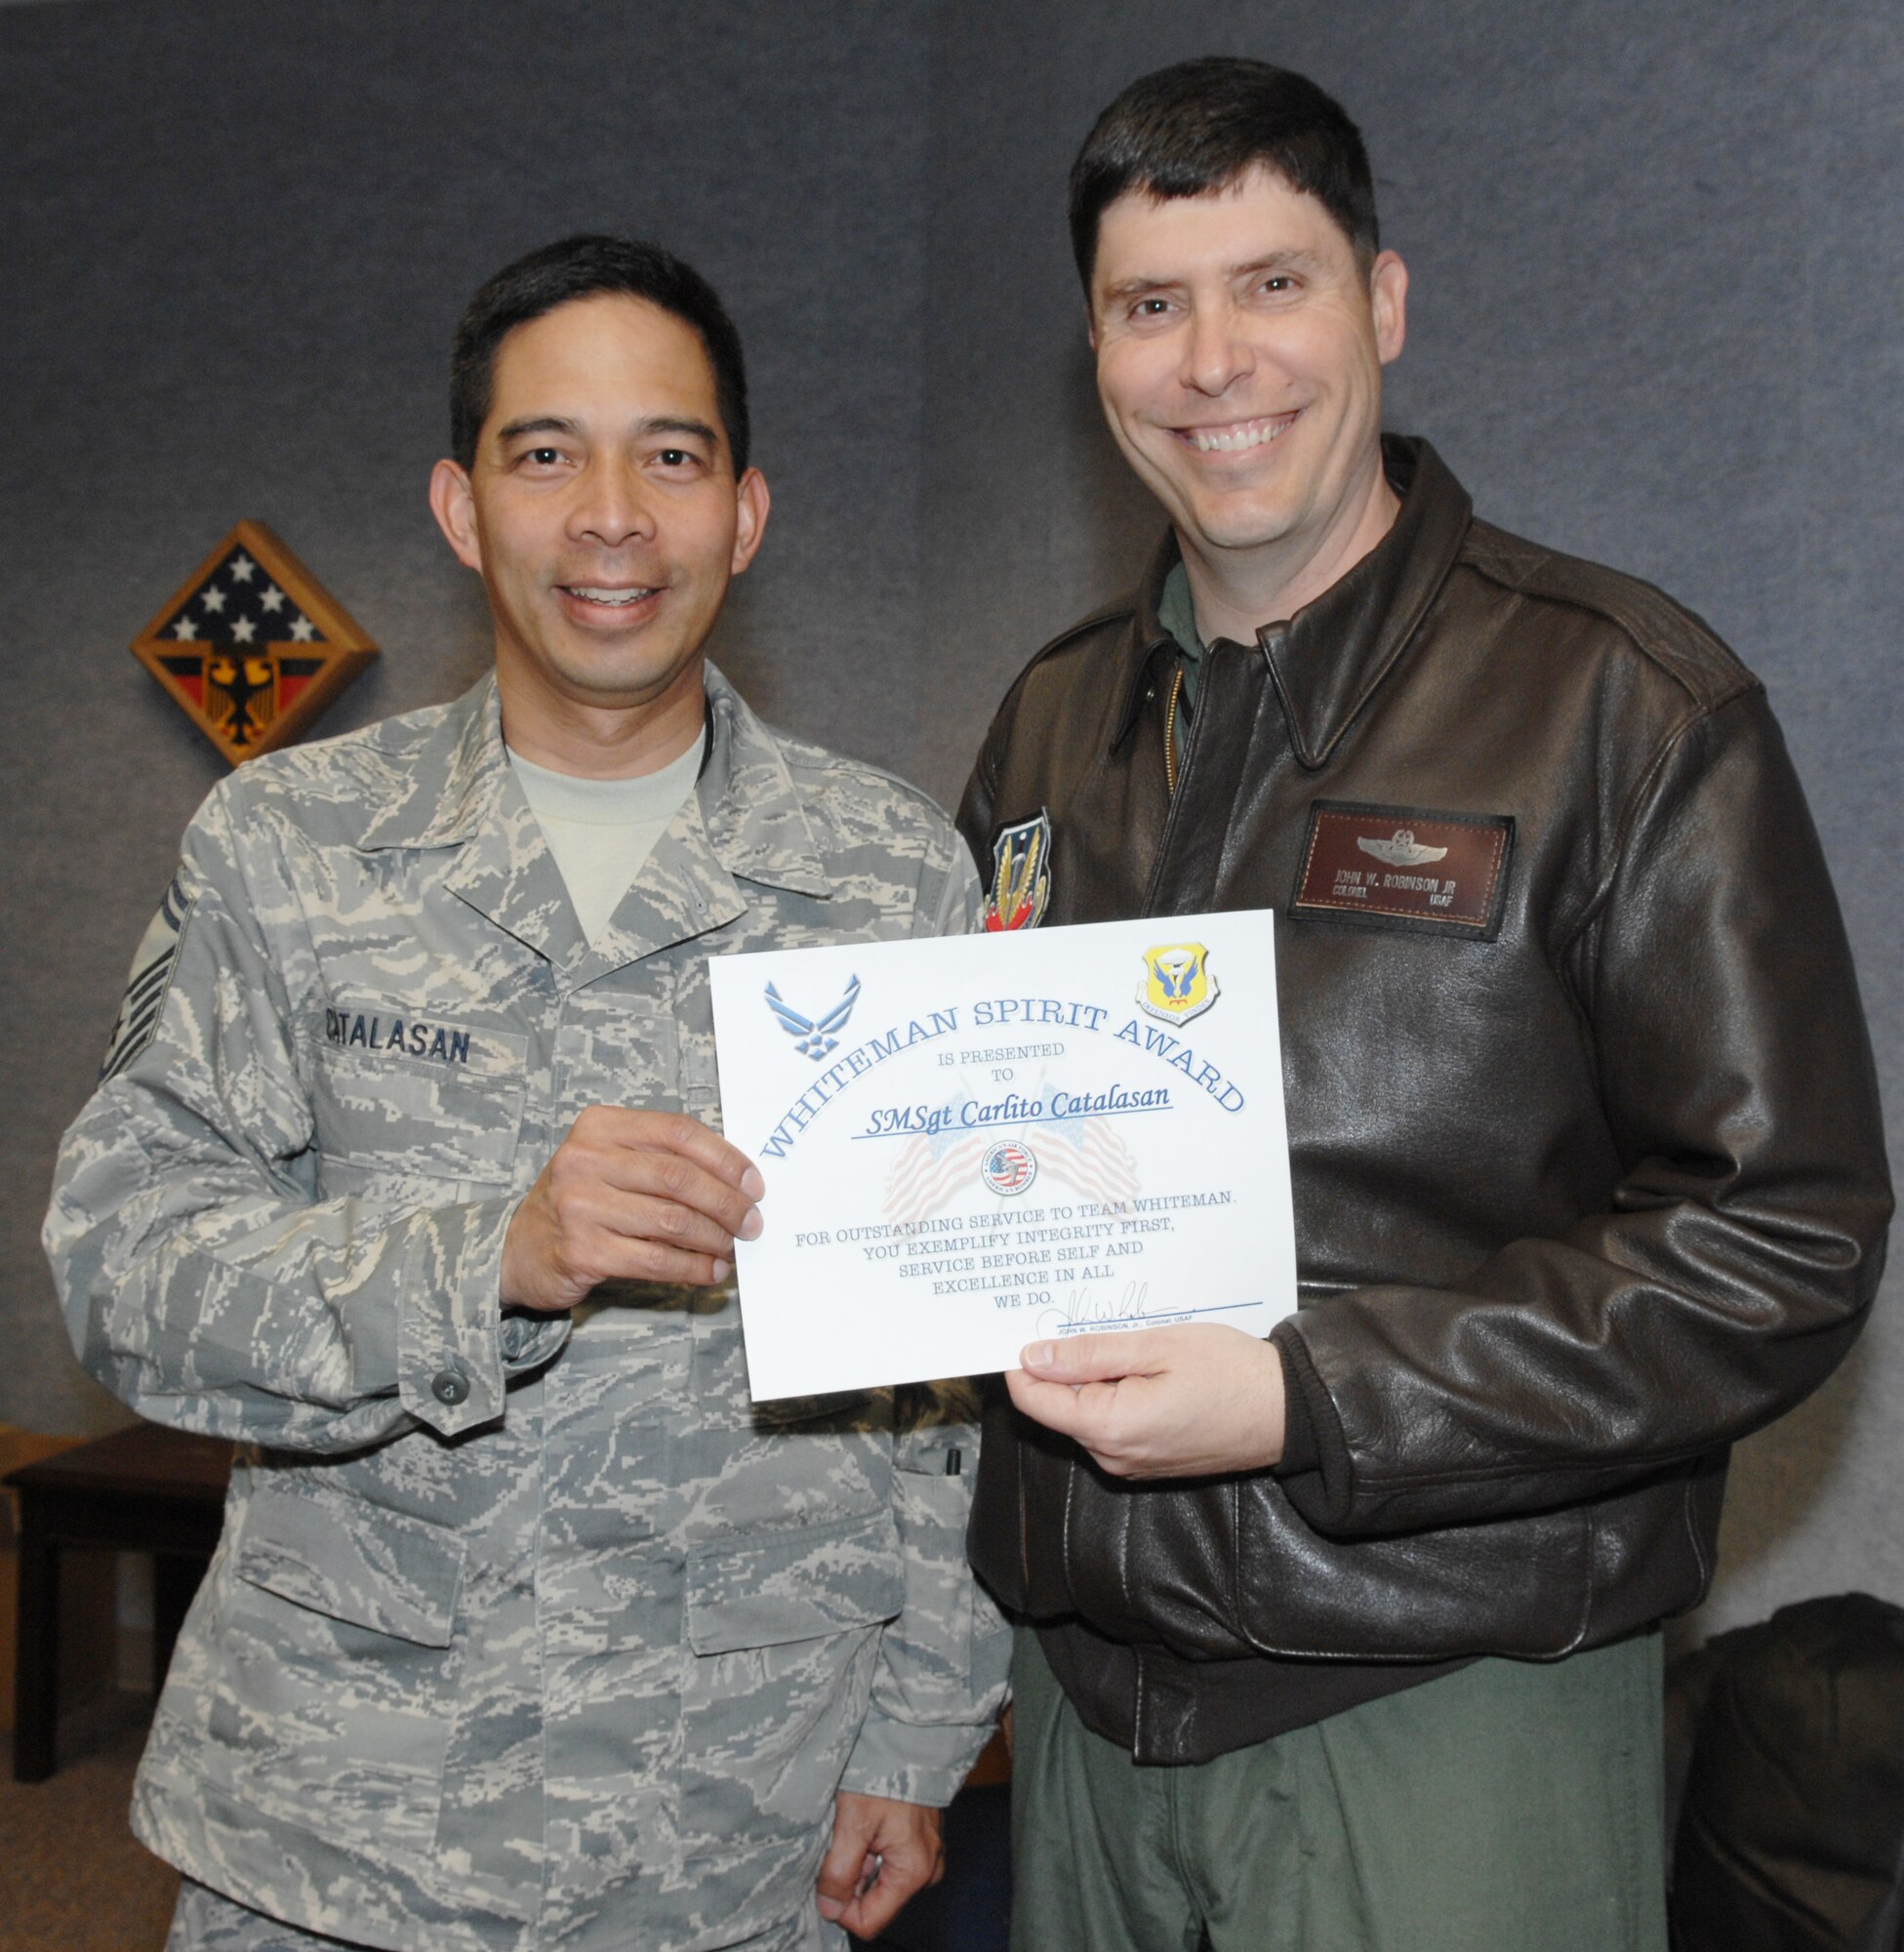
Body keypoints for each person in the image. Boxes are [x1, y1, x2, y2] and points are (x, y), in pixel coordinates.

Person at [956, 57, 1892, 1952]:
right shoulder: (1052, 718)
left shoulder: (1619, 703)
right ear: (1096, 351)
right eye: (1152, 305)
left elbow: (1778, 1238)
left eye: (1272, 283)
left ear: (1381, 302)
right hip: (1075, 1719)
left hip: (1441, 1704)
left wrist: (1303, 1395)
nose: (1215, 359)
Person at [47, 233, 1008, 1952]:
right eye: (546, 453)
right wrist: (484, 1256)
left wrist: (923, 1730)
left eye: (673, 454)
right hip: (341, 1835)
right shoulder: (286, 847)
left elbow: (941, 1372)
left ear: (747, 512)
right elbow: (124, 1271)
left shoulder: (885, 874)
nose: (613, 514)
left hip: (737, 1827)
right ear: (458, 506)